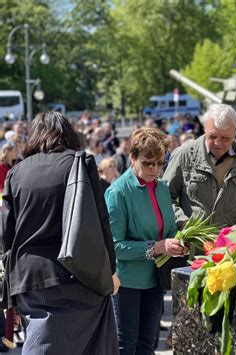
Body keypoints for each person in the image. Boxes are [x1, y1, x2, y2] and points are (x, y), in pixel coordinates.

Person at [1, 111, 119, 354]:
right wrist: (111, 271)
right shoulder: (79, 163)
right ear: (68, 134)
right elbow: (99, 222)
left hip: (28, 280)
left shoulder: (16, 173)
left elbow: (7, 236)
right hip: (76, 275)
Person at [105, 127, 186, 354]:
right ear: (133, 158)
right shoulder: (118, 192)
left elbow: (168, 227)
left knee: (148, 343)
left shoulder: (161, 188)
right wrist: (158, 247)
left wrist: (178, 242)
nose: (154, 169)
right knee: (126, 345)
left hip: (155, 278)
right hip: (127, 281)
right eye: (148, 163)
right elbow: (115, 246)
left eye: (160, 163)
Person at [163, 103, 236, 227]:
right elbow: (164, 198)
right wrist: (182, 222)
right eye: (212, 136)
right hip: (192, 243)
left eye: (225, 138)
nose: (218, 143)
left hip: (233, 244)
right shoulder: (183, 156)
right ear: (204, 129)